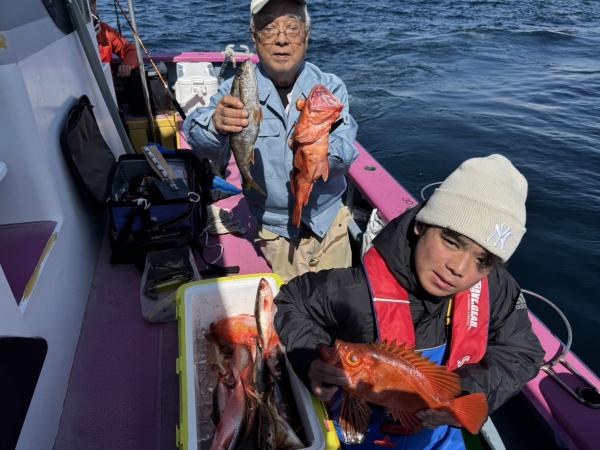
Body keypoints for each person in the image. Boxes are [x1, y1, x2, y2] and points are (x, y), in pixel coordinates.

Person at [274, 154, 545, 449]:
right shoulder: (355, 290)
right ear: (421, 225)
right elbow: (289, 301)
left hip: (440, 433)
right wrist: (312, 359)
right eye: (451, 241)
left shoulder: (496, 289)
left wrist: (464, 393)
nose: (459, 268)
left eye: (483, 260)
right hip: (360, 431)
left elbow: (522, 352)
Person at [183, 0, 359, 282]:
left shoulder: (330, 87)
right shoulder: (236, 90)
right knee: (287, 305)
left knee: (337, 302)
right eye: (269, 28)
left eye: (292, 27)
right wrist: (215, 124)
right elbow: (196, 136)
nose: (281, 39)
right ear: (254, 37)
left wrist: (321, 149)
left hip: (329, 224)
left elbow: (345, 156)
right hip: (273, 232)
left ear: (307, 35)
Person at [90, 0, 138, 77]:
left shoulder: (106, 32)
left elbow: (130, 49)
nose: (91, 7)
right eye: (85, 3)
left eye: (92, 2)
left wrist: (127, 64)